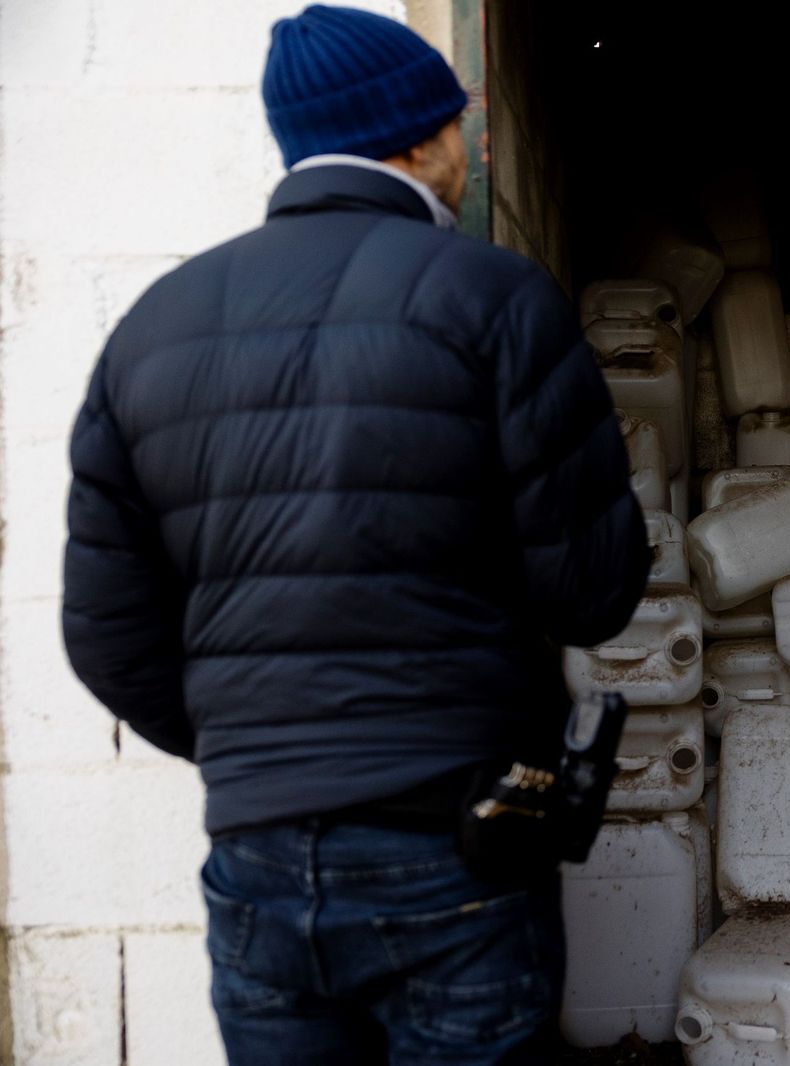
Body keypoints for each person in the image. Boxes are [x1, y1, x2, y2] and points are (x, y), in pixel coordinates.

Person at [60, 5, 650, 1062]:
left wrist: (263, 750)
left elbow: (106, 633)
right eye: (457, 127)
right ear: (421, 142)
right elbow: (592, 589)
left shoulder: (149, 328)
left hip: (256, 861)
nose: (470, 149)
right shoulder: (496, 297)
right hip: (455, 846)